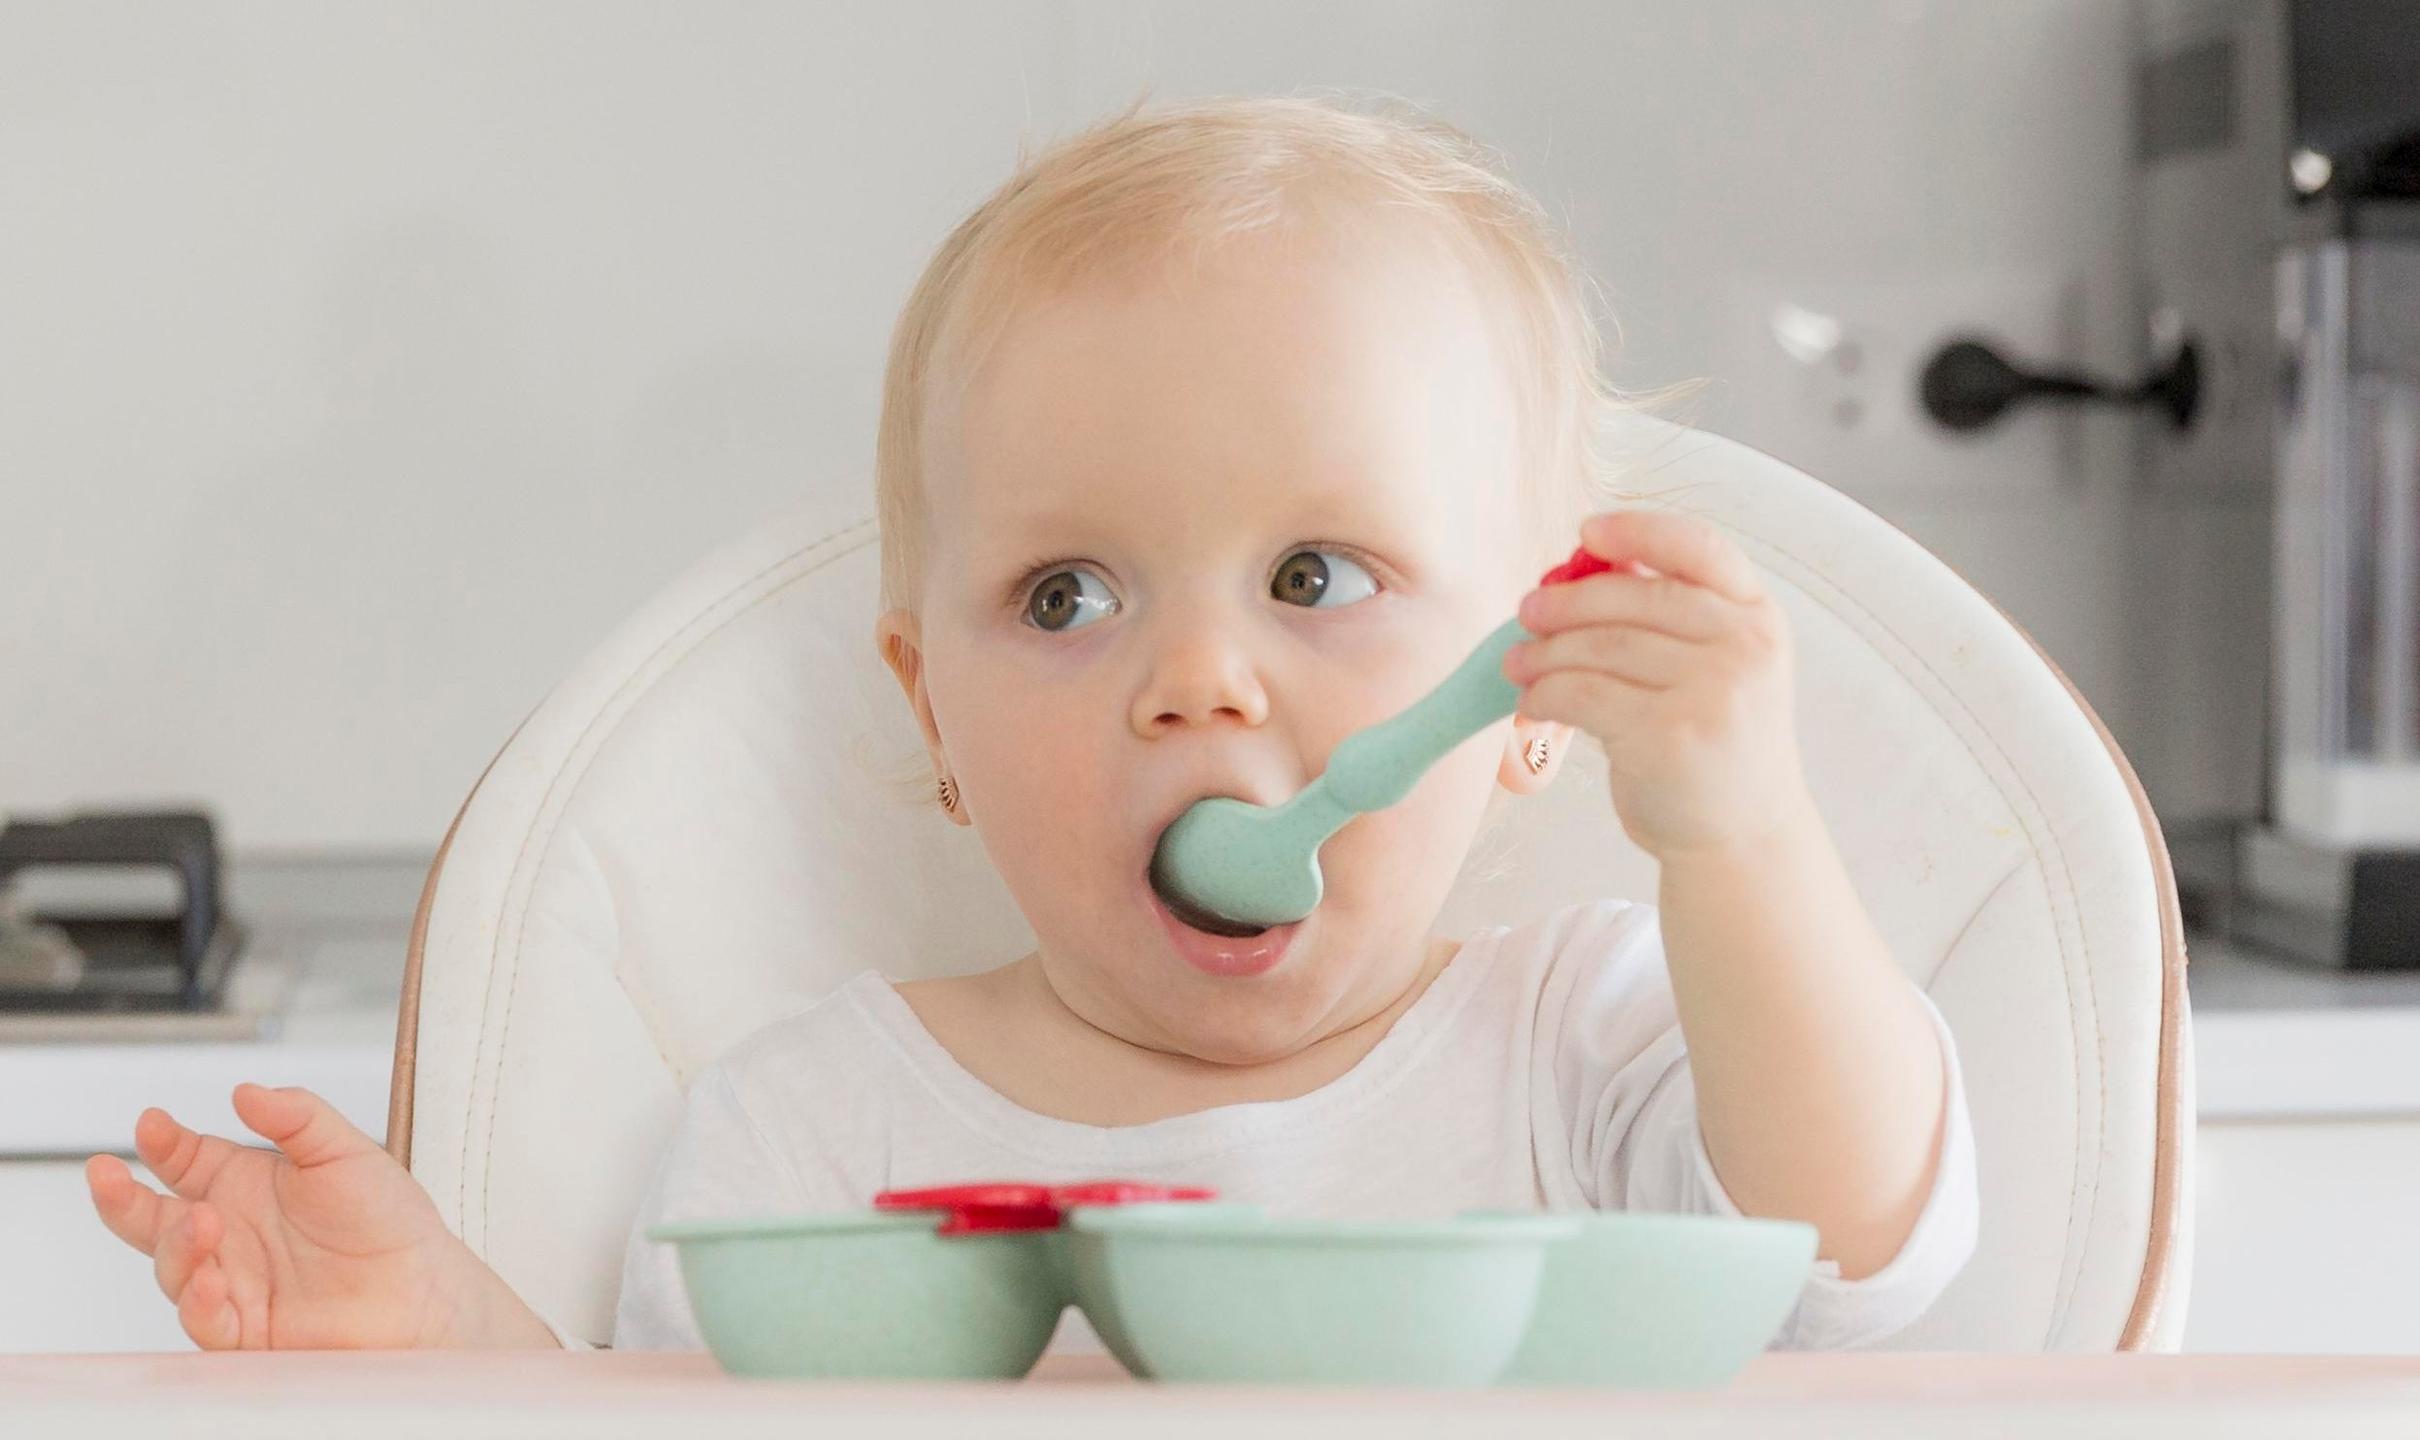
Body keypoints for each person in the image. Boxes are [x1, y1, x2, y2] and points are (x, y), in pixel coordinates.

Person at [87, 93, 1975, 1354]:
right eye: (1068, 597)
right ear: (935, 718)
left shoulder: (1587, 1042)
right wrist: (448, 1347)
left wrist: (1743, 838)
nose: (1201, 681)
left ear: (1526, 683)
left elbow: (1860, 1260)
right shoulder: (817, 1128)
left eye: (1316, 574)